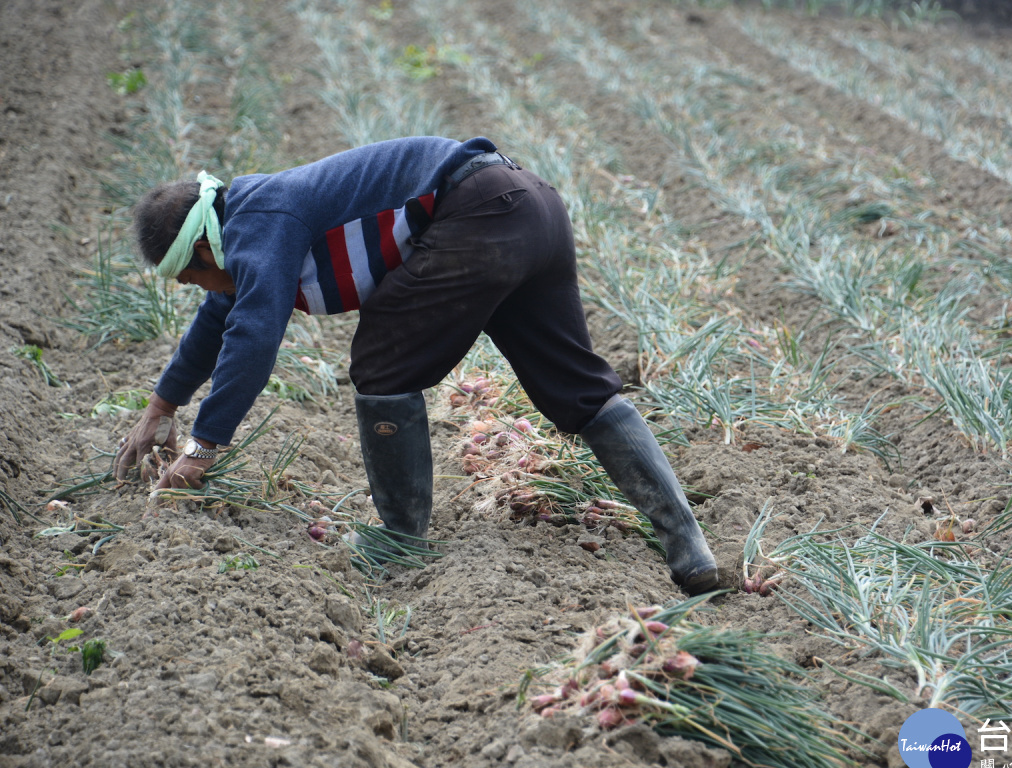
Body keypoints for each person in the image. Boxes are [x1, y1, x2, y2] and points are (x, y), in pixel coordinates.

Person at [114, 136, 719, 594]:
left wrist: (201, 449)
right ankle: (688, 545)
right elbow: (220, 319)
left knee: (382, 363)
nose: (199, 287)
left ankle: (401, 540)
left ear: (201, 245)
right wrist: (160, 408)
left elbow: (252, 336)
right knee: (578, 387)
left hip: (477, 213)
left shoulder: (257, 220)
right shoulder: (249, 220)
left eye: (191, 275)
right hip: (529, 206)